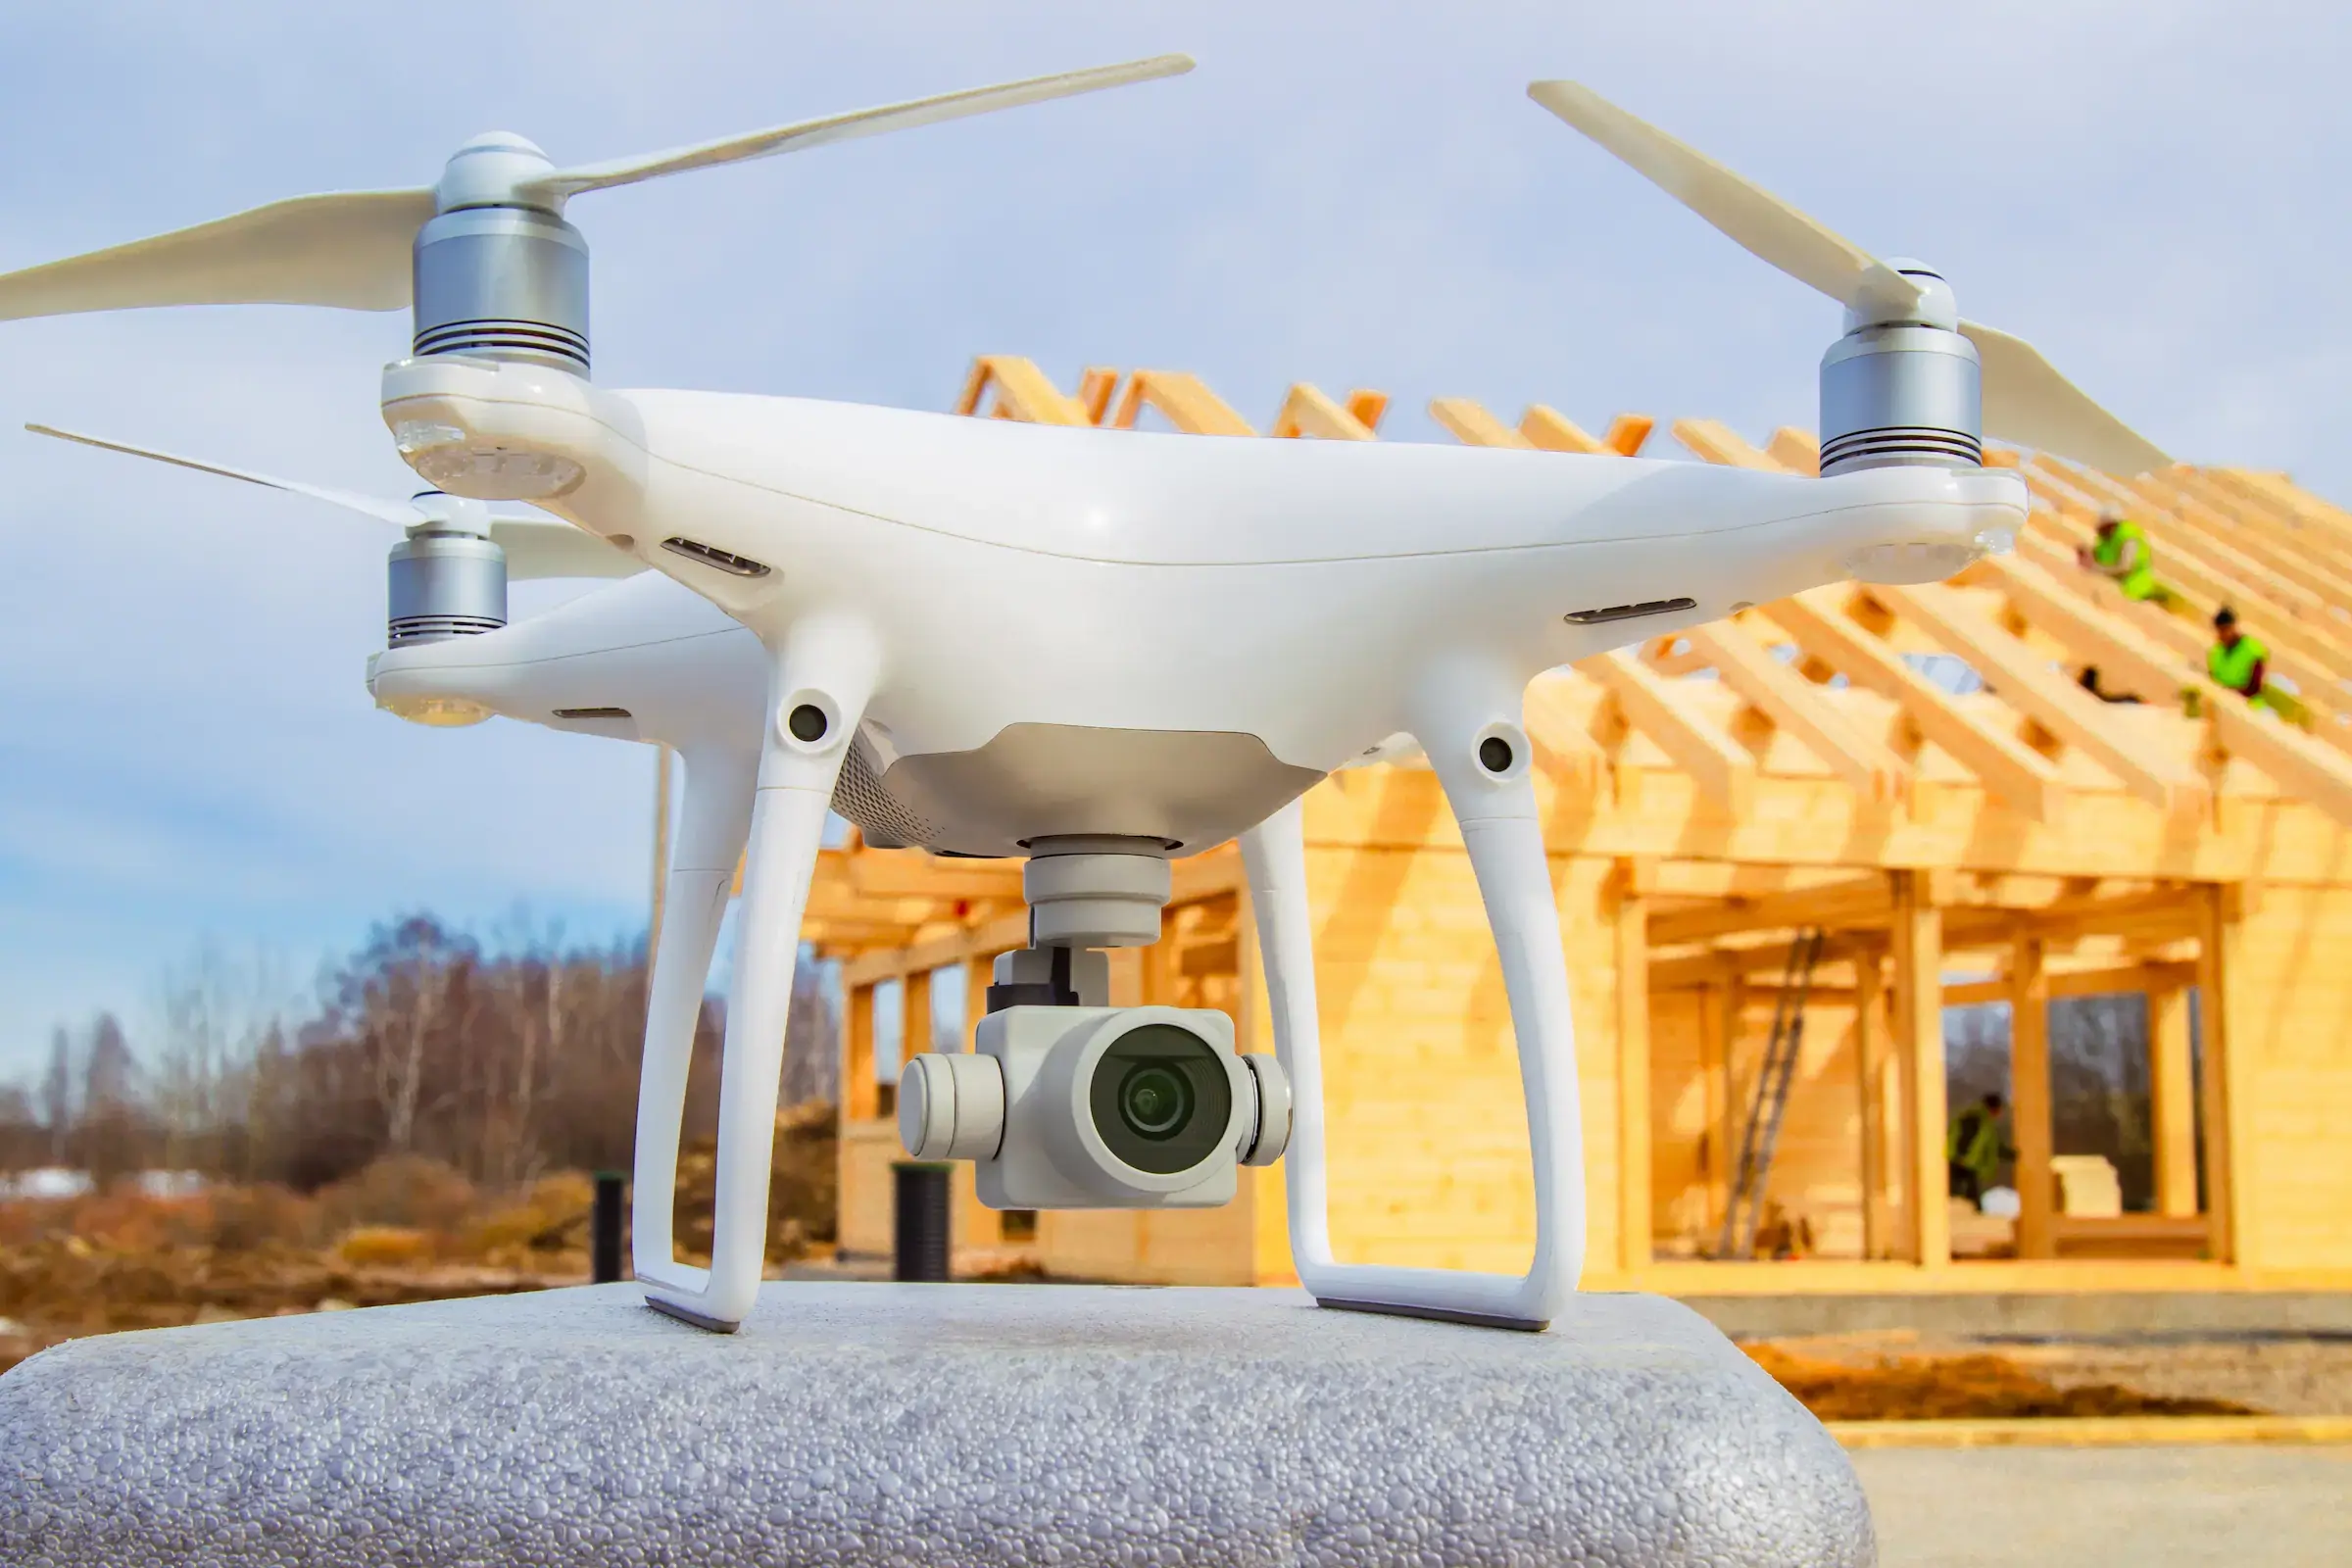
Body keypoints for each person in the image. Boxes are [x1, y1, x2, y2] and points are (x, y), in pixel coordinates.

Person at [1947, 1091, 2013, 1206]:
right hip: (1960, 1164)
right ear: (1993, 1108)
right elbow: (1963, 1139)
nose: (2000, 1114)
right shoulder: (1974, 1118)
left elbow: (1994, 1146)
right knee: (1961, 1198)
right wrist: (1960, 1158)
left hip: (1968, 1164)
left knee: (1970, 1199)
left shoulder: (1985, 1122)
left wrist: (2012, 1155)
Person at [2078, 509, 2158, 602]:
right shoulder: (2106, 538)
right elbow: (2100, 555)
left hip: (2133, 587)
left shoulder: (2128, 538)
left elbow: (2125, 567)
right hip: (2114, 582)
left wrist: (2098, 569)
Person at [2208, 608, 2272, 711]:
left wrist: (2231, 693)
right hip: (2222, 704)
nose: (2223, 635)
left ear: (2233, 627)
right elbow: (2213, 677)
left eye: (2226, 630)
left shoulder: (2253, 649)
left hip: (2249, 707)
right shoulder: (2216, 652)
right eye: (2220, 631)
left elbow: (2254, 688)